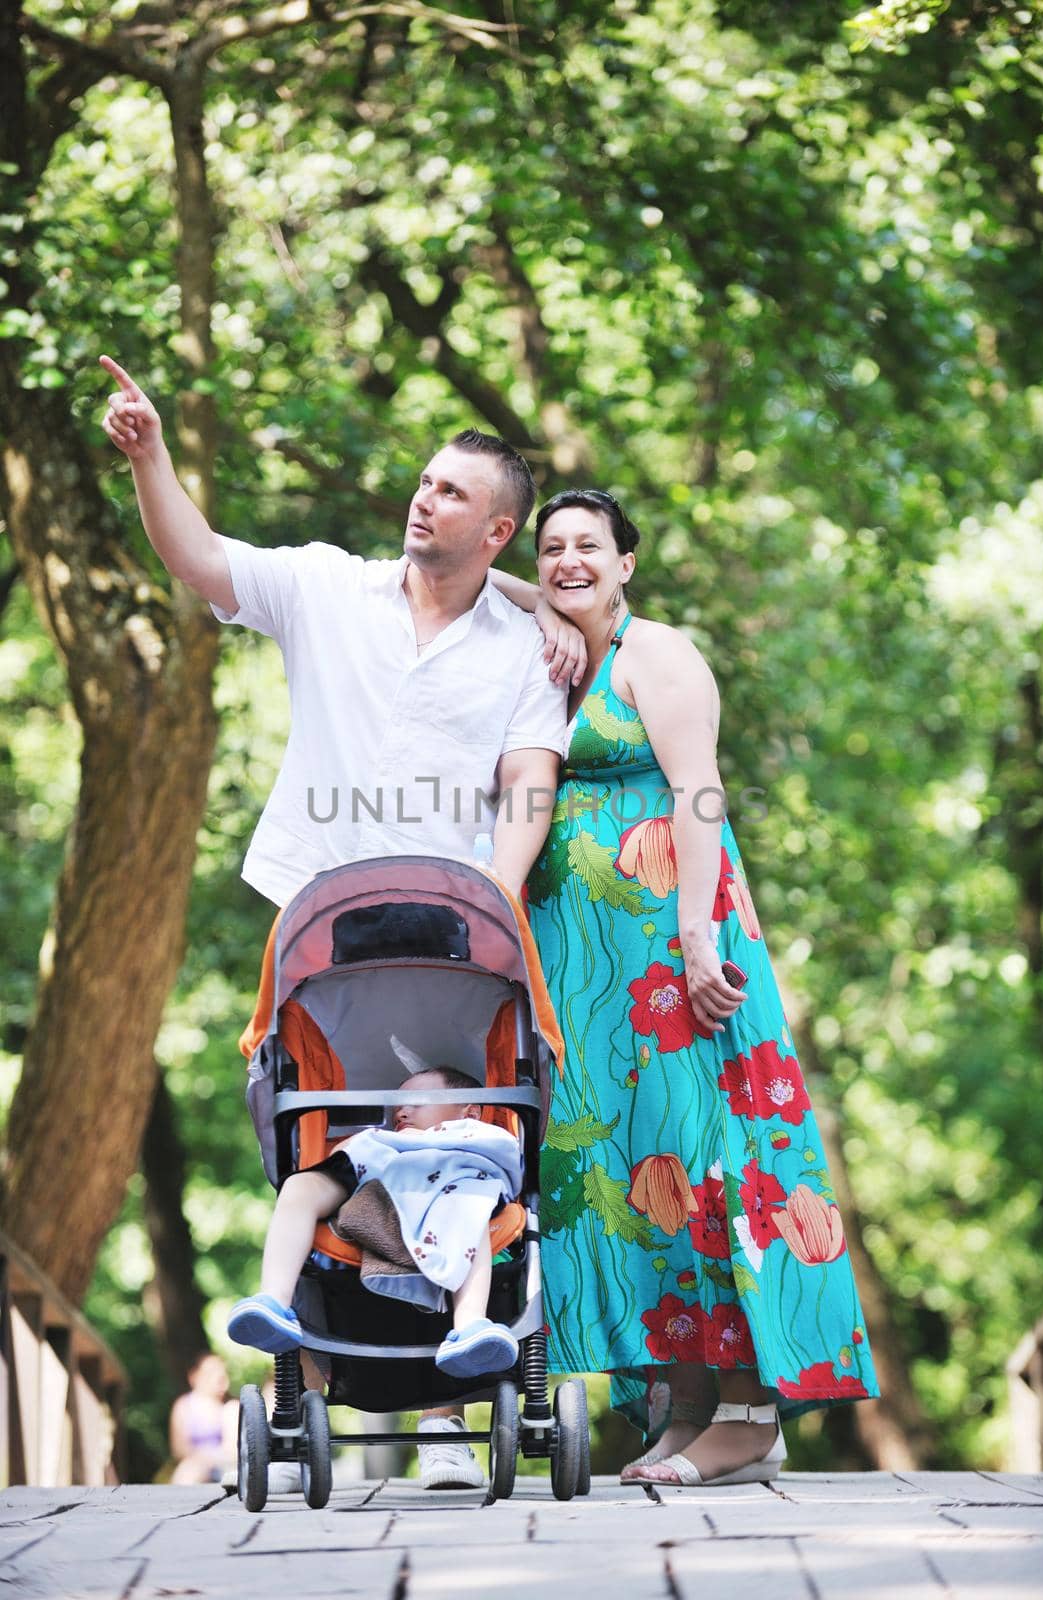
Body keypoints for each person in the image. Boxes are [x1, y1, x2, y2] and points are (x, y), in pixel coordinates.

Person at [99, 356, 578, 1488]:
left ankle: (470, 1396)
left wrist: (497, 902)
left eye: (452, 493)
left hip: (458, 958)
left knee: (471, 1154)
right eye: (421, 482)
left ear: (498, 530)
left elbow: (526, 788)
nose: (422, 498)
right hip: (321, 938)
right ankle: (305, 1380)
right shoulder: (325, 586)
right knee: (317, 1141)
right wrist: (150, 456)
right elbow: (201, 559)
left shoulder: (525, 653)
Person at [525, 489, 879, 1488]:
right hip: (591, 980)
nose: (568, 561)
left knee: (708, 1158)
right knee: (638, 1180)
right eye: (550, 549)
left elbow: (697, 791)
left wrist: (693, 936)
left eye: (588, 545)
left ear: (626, 561)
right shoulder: (564, 655)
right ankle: (679, 1409)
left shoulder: (657, 655)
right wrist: (544, 604)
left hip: (671, 954)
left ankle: (745, 1416)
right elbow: (500, 590)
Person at [227, 1067, 522, 1379]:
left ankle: (469, 1325)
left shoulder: (482, 1140)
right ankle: (274, 1300)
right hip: (375, 1184)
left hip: (456, 1192)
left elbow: (498, 1177)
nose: (402, 1111)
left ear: (471, 1112)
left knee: (472, 1208)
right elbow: (346, 1160)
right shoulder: (382, 1141)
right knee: (299, 1186)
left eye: (416, 1102)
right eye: (396, 1107)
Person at [169, 1352, 238, 1485]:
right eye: (211, 1373)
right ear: (194, 1376)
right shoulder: (183, 1406)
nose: (218, 1378)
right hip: (194, 1466)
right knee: (188, 1472)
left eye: (222, 1373)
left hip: (226, 1468)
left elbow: (232, 1451)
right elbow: (178, 1449)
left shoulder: (230, 1408)